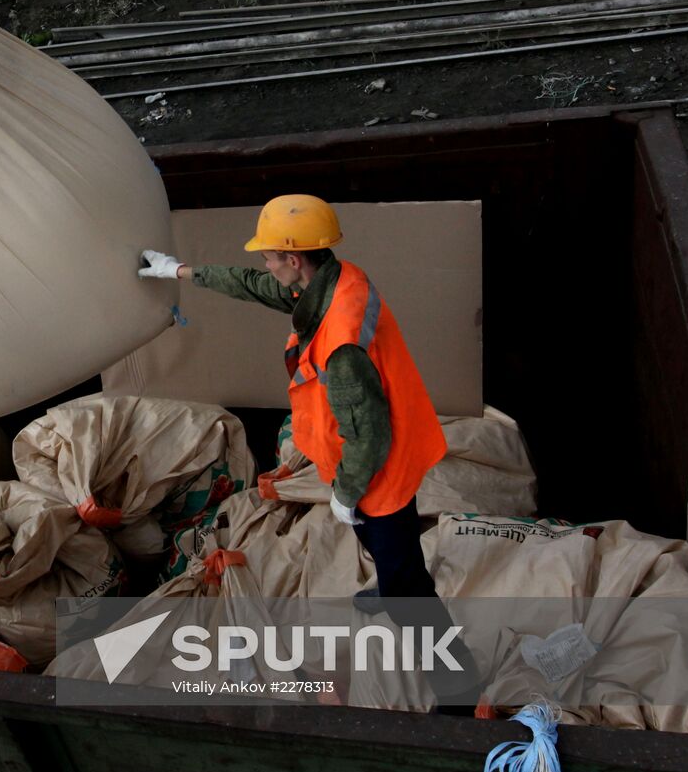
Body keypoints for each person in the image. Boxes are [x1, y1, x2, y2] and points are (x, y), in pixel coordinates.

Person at [139, 194, 480, 711]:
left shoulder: (340, 341)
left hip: (377, 476)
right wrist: (180, 271)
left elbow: (368, 435)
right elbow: (254, 286)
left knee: (411, 589)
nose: (265, 264)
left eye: (270, 256)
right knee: (395, 563)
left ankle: (459, 692)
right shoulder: (336, 281)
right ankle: (393, 583)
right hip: (381, 460)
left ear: (294, 259)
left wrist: (346, 493)